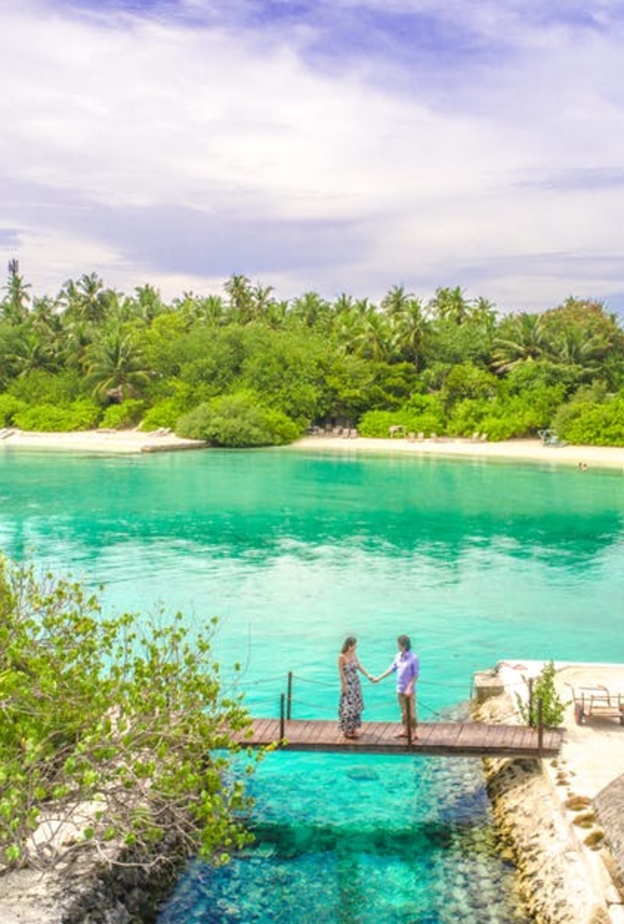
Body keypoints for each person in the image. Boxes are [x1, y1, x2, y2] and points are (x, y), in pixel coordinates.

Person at [372, 634, 420, 738]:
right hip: (400, 688)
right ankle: (405, 731)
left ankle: (414, 733)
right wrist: (378, 678)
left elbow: (415, 675)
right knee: (403, 712)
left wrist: (409, 688)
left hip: (409, 690)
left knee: (411, 711)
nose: (397, 646)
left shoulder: (413, 658)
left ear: (403, 645)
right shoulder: (398, 656)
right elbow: (392, 669)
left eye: (398, 644)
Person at [338, 636, 373, 739]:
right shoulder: (341, 657)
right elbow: (341, 673)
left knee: (355, 707)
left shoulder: (354, 654)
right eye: (355, 645)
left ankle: (353, 728)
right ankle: (346, 730)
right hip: (348, 683)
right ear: (349, 646)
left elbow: (359, 666)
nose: (356, 646)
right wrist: (343, 685)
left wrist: (368, 675)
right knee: (348, 707)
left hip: (356, 683)